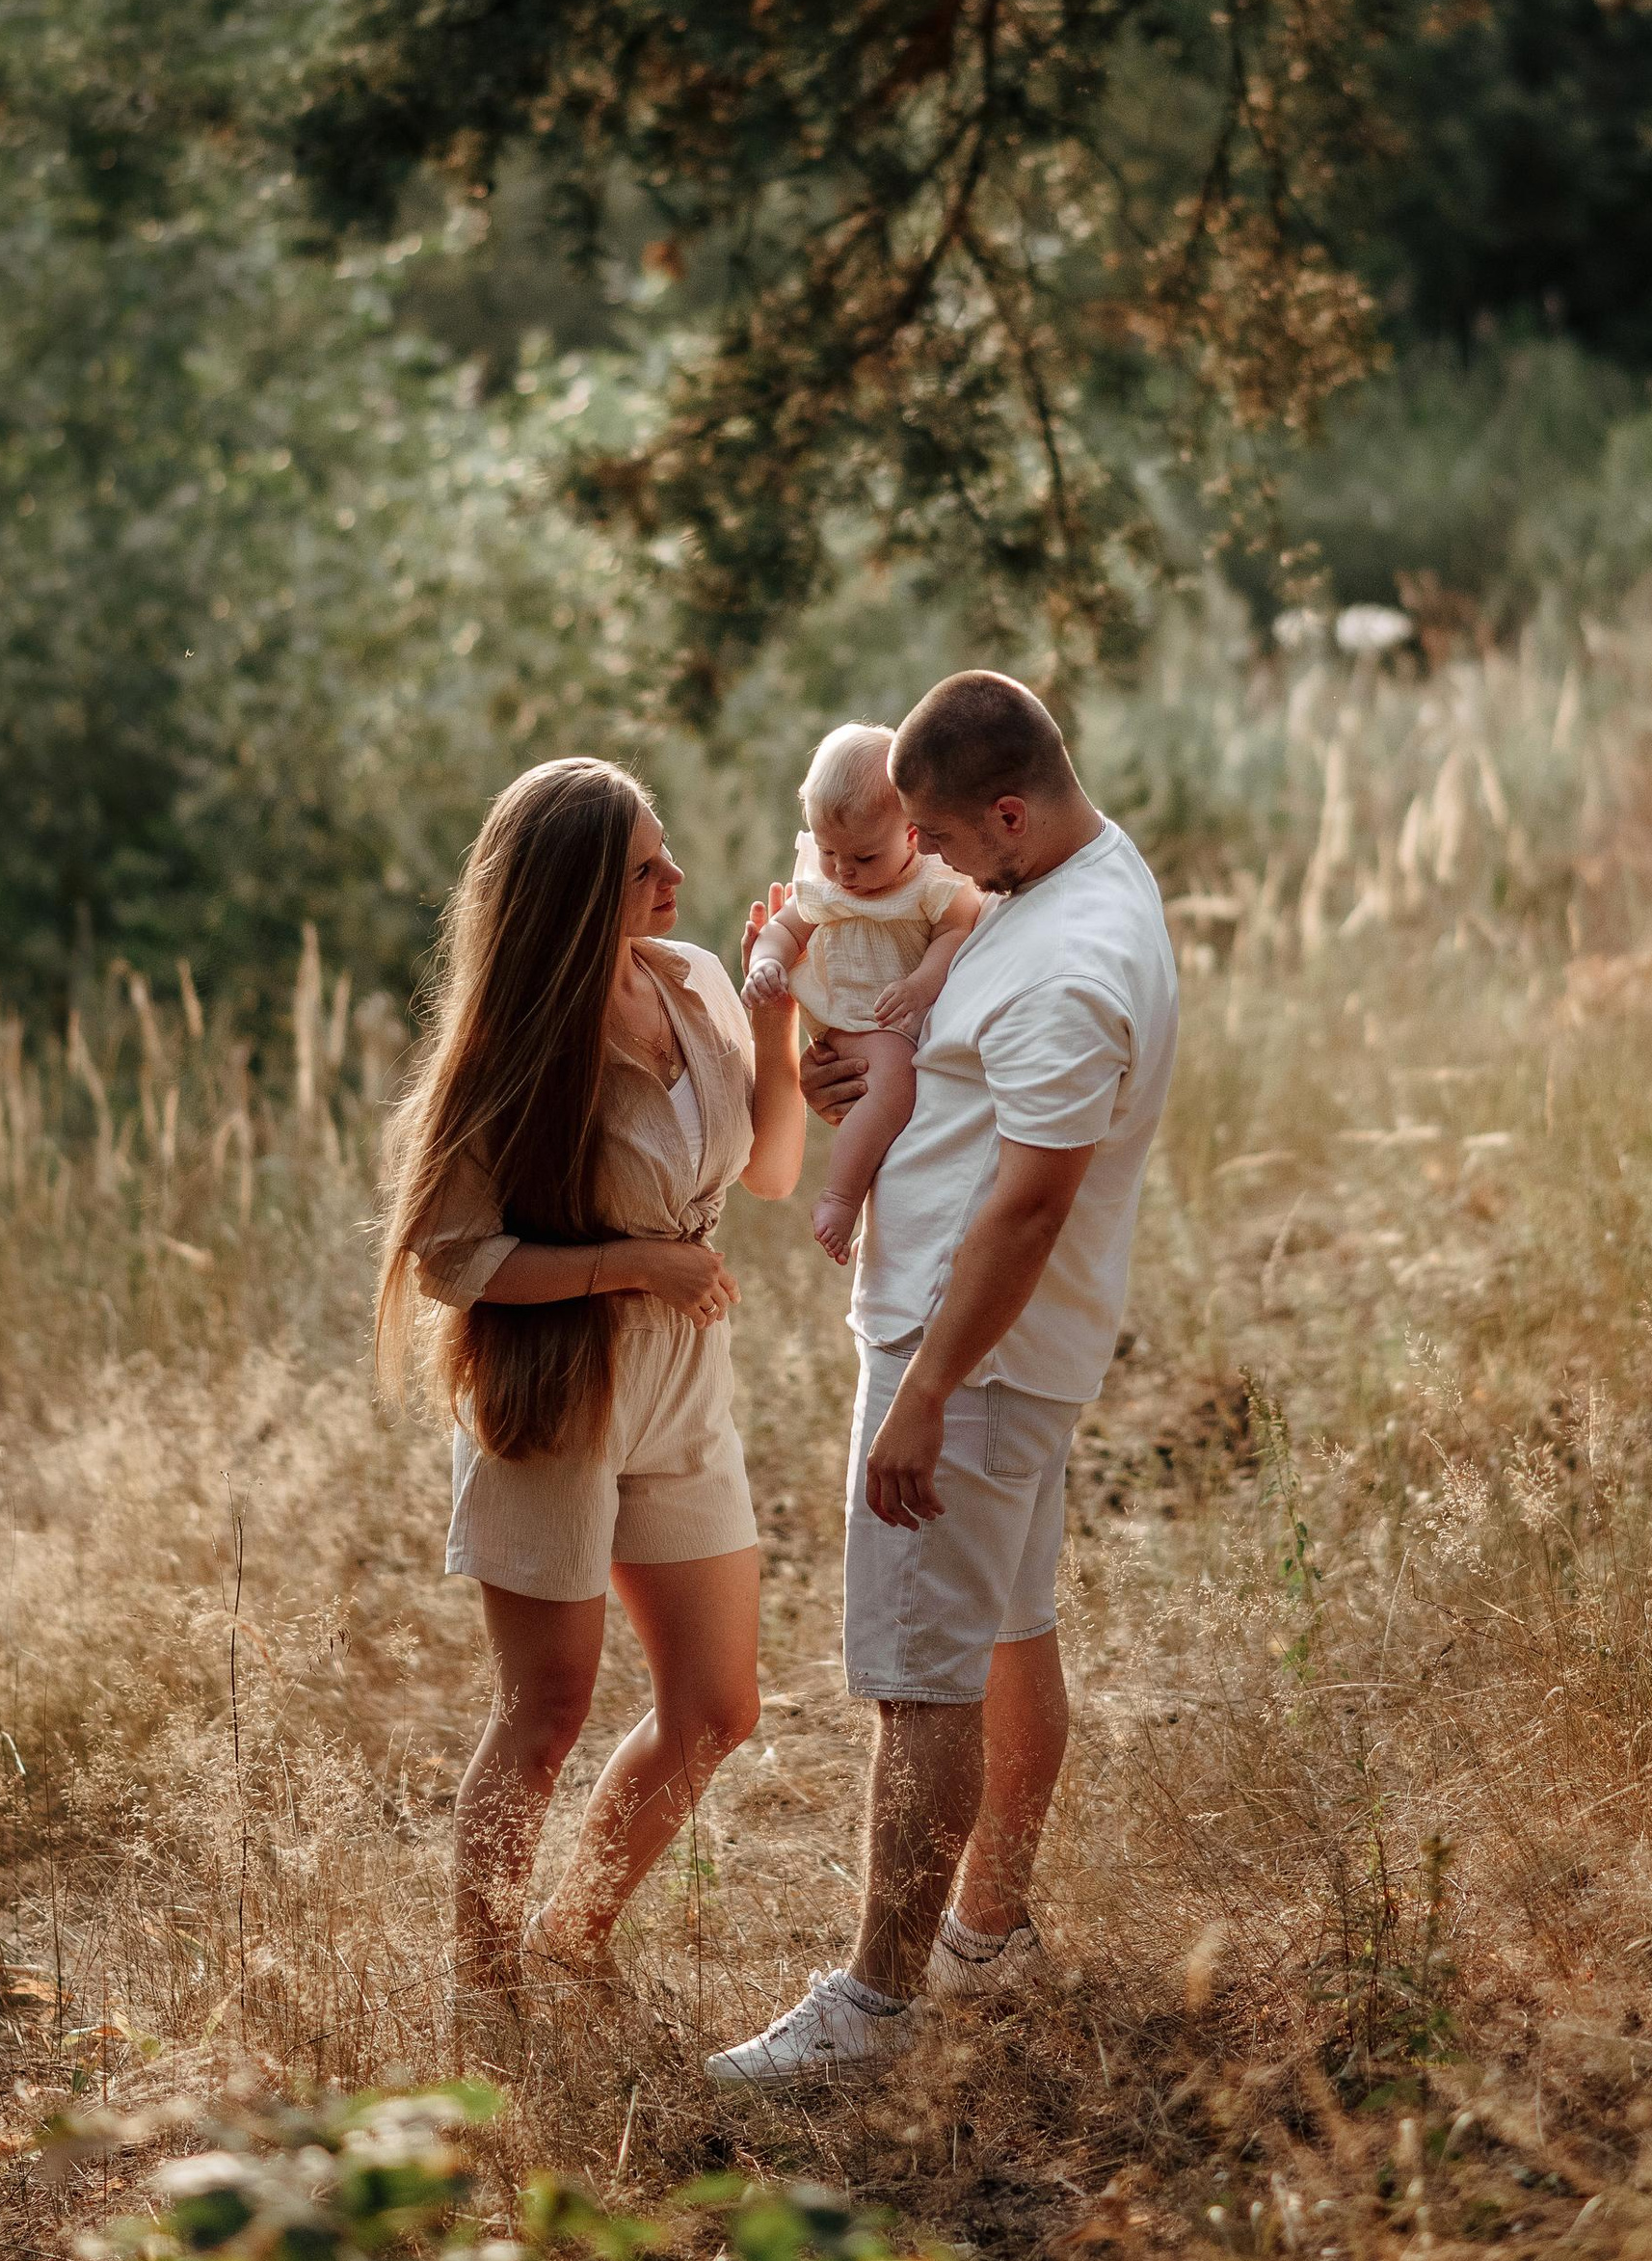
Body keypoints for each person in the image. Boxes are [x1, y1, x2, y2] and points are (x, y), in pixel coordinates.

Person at [706, 672, 1179, 2091]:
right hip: (1002, 1355)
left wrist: (922, 1398)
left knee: (920, 1682)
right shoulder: (1073, 879)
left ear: (1012, 813)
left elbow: (1025, 1209)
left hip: (962, 1360)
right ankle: (988, 1936)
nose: (931, 864)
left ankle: (874, 2007)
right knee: (1004, 1636)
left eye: (947, 838)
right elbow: (955, 1073)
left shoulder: (1072, 966)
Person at [375, 758, 804, 2016]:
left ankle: (572, 1933)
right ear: (572, 899)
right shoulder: (508, 1053)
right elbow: (454, 1258)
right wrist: (633, 1262)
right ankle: (485, 1996)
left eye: (666, 853)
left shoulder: (695, 985)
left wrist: (778, 1029)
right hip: (556, 1397)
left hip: (687, 1385)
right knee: (547, 1709)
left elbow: (769, 1174)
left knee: (720, 1706)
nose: (677, 879)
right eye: (644, 870)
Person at [741, 720, 987, 1264]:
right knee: (894, 1083)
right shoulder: (823, 883)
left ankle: (862, 1198)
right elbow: (783, 930)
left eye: (864, 858)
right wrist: (765, 964)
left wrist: (922, 985)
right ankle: (839, 1196)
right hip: (851, 1023)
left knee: (893, 1097)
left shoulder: (930, 881)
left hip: (892, 1011)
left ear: (912, 834)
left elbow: (956, 930)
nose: (844, 874)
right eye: (829, 853)